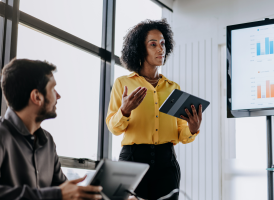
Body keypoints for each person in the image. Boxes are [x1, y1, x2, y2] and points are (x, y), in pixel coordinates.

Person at [106, 19, 202, 200]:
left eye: (163, 44)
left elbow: (182, 134)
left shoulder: (173, 88)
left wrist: (193, 128)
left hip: (166, 164)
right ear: (140, 49)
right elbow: (114, 128)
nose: (161, 49)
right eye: (153, 44)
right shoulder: (123, 83)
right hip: (132, 161)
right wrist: (124, 111)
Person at [0, 59, 103, 200]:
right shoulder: (2, 135)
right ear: (37, 97)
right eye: (53, 89)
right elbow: (60, 193)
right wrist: (56, 195)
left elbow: (68, 192)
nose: (58, 96)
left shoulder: (47, 142)